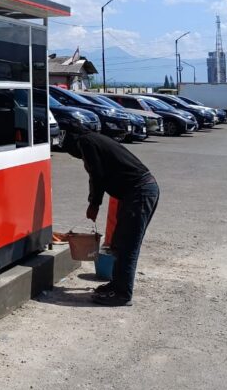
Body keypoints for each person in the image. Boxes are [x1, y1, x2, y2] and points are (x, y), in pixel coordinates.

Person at [67, 131, 160, 306]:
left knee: (127, 245)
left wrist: (94, 204)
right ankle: (117, 285)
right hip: (135, 193)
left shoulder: (85, 142)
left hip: (140, 192)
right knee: (119, 242)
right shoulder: (93, 139)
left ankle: (122, 294)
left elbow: (96, 174)